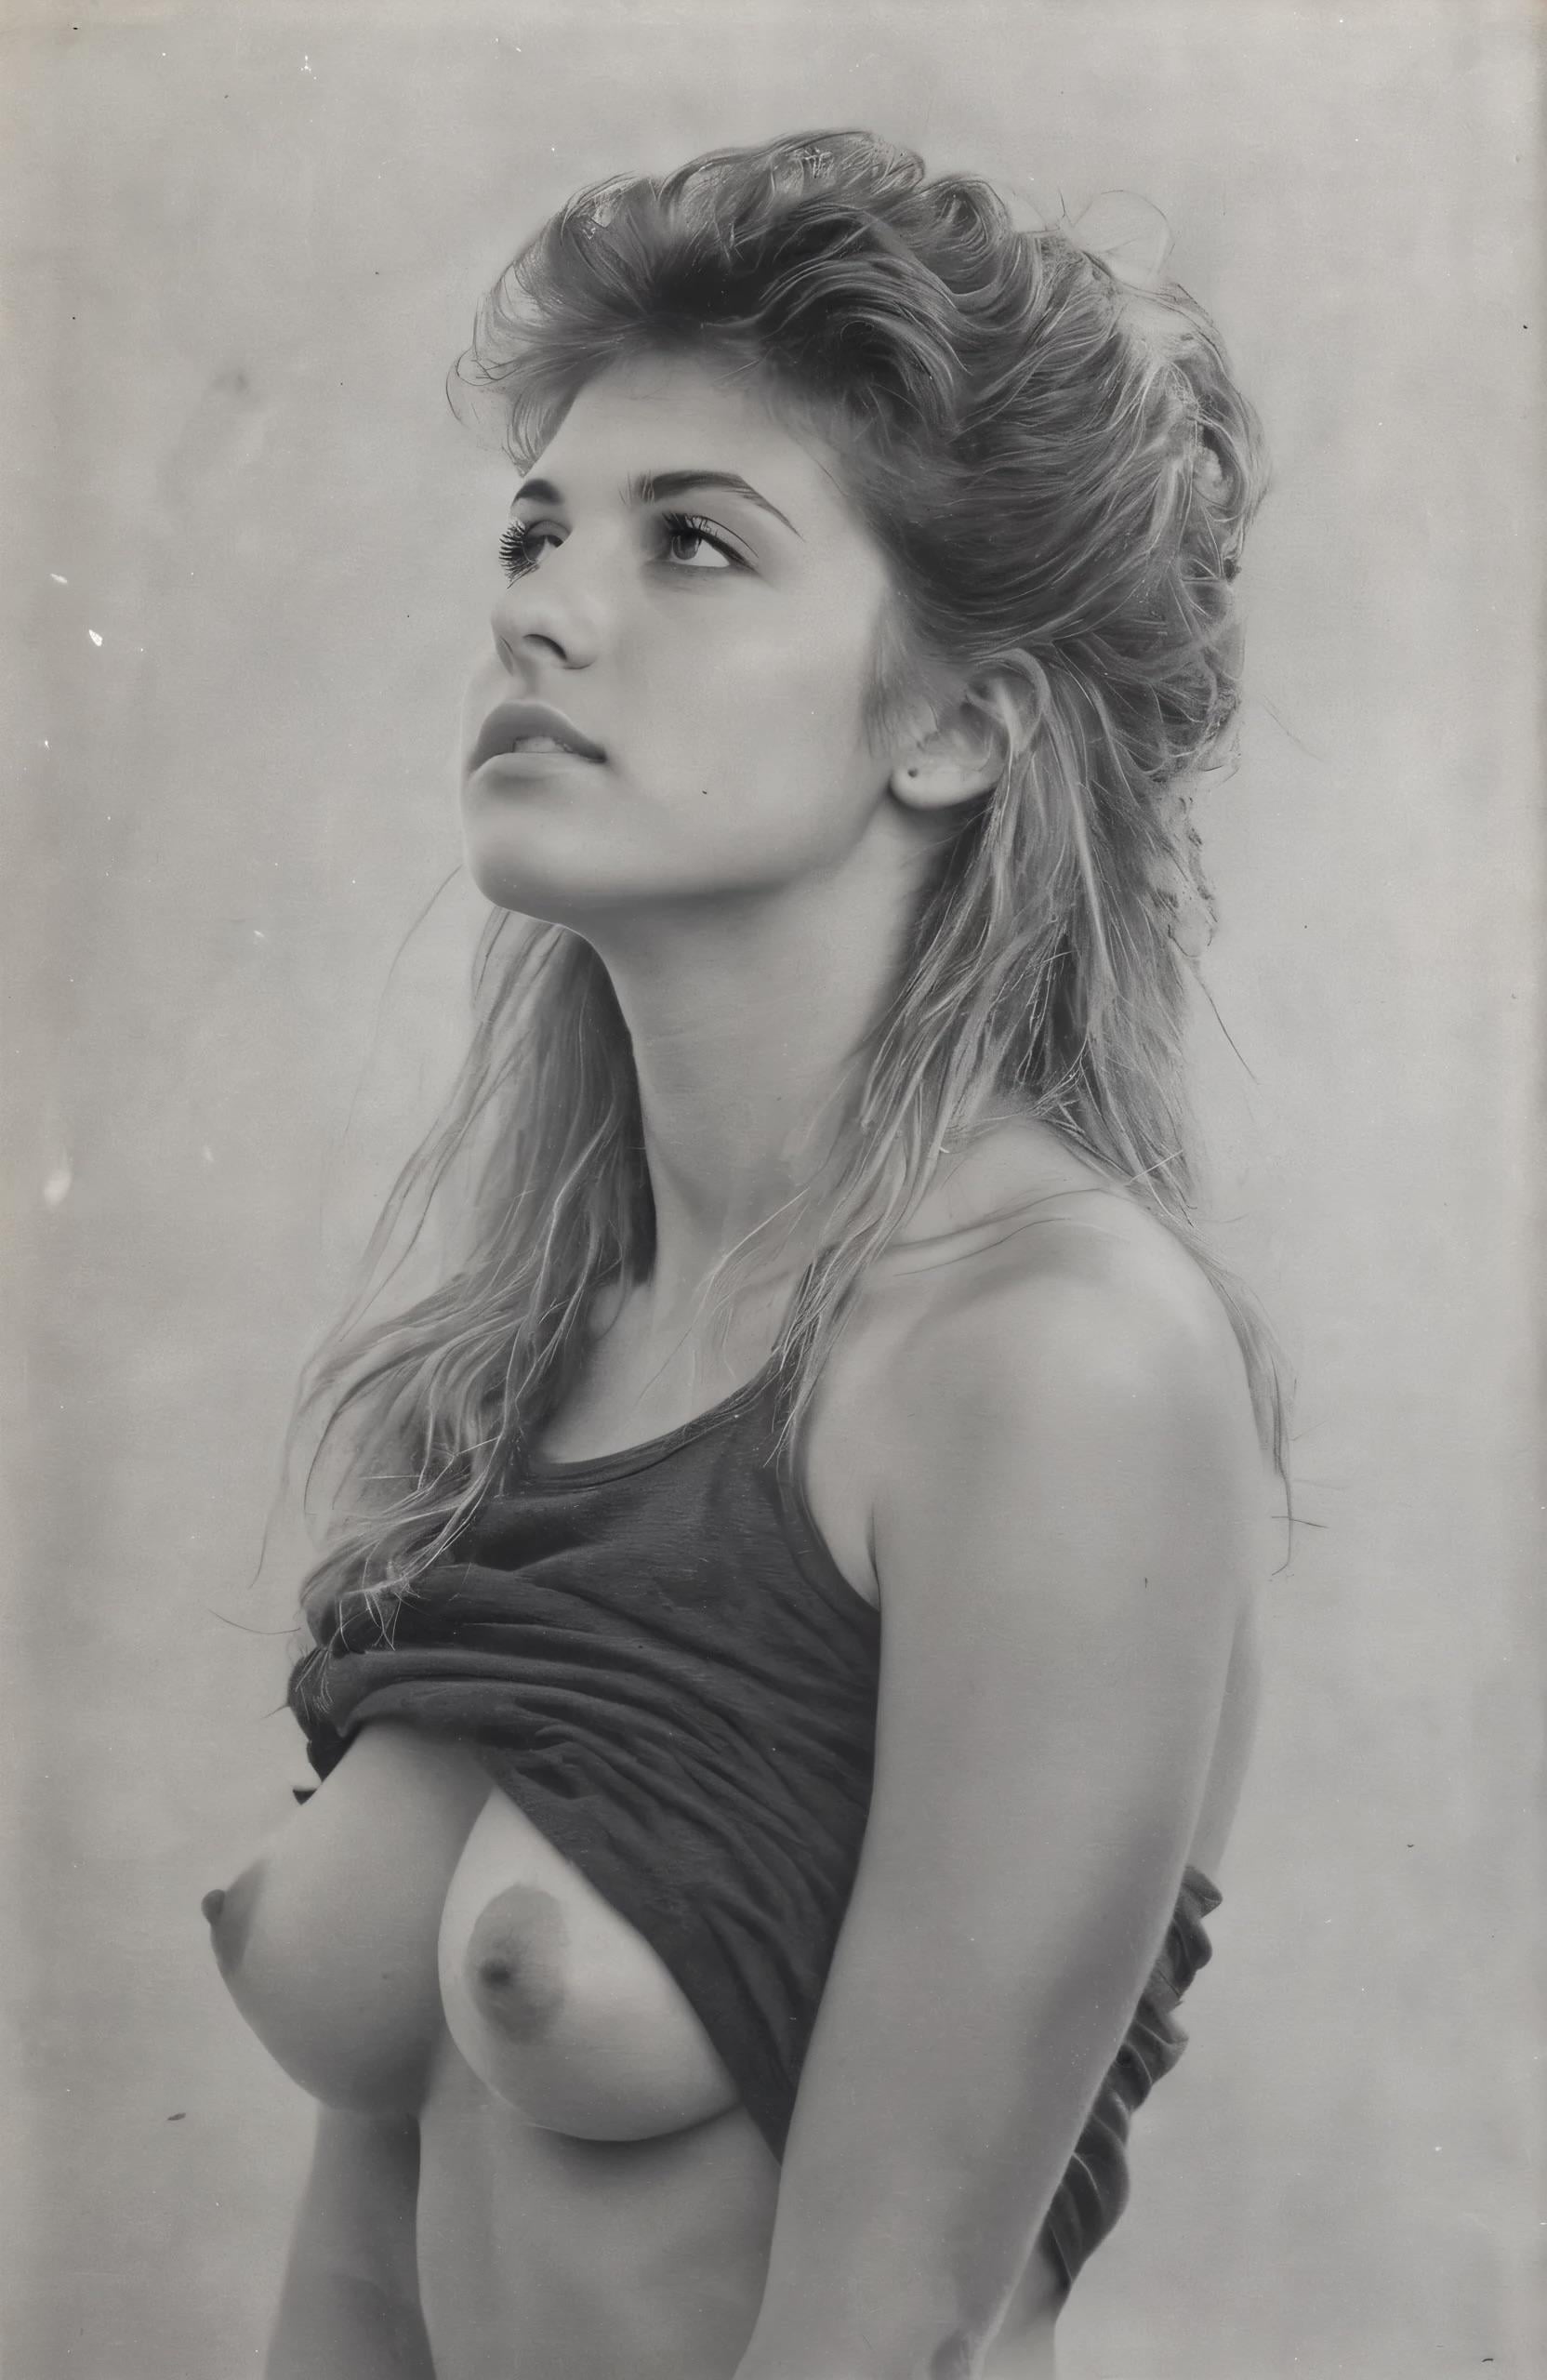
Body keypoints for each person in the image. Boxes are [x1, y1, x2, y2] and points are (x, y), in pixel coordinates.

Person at [204, 129, 1287, 2380]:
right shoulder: (533, 1355)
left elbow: (892, 2324)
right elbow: (357, 2273)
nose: (539, 607)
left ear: (958, 722)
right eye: (538, 529)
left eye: (690, 542)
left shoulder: (1053, 1362)